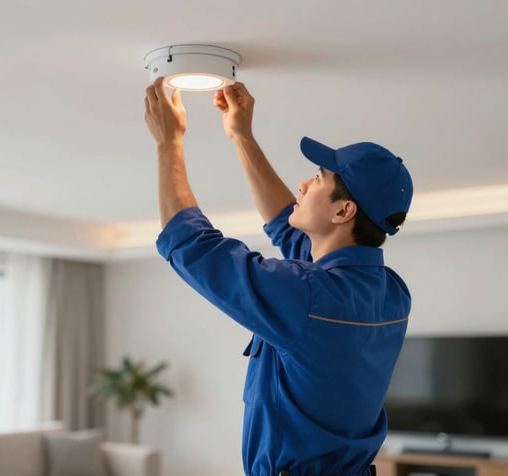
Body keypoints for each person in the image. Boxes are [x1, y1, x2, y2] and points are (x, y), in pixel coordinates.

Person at [144, 76, 413, 476]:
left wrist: (169, 143)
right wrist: (241, 136)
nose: (303, 183)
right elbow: (289, 230)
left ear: (343, 212)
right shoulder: (389, 293)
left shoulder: (310, 297)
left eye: (318, 178)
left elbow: (191, 245)